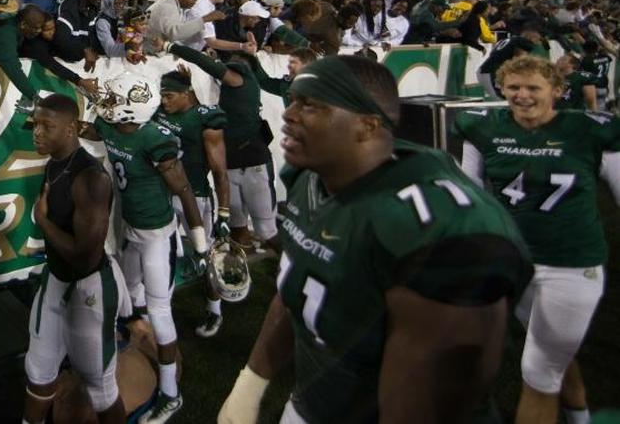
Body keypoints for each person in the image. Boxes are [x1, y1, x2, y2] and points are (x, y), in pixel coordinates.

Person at [218, 56, 532, 424]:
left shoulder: (435, 224)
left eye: (310, 104)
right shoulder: (312, 176)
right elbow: (299, 281)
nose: (288, 114)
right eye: (292, 99)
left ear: (367, 125)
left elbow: (429, 398)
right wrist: (251, 382)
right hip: (311, 402)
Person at [455, 55, 620, 424]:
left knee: (538, 370)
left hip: (571, 263)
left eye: (533, 88)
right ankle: (581, 417)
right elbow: (471, 195)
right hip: (514, 262)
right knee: (547, 353)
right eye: (513, 87)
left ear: (557, 91)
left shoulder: (590, 130)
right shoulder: (484, 128)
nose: (522, 95)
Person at [80, 72, 207, 424]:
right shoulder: (114, 128)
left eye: (115, 100)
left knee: (159, 310)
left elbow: (182, 189)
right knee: (130, 297)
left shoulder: (153, 139)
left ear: (133, 108)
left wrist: (198, 237)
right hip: (130, 230)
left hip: (156, 236)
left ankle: (170, 394)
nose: (108, 105)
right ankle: (137, 355)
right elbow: (92, 130)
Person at [23, 94, 126, 424]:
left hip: (88, 288)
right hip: (55, 279)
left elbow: (84, 257)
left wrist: (43, 222)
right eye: (35, 124)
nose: (37, 132)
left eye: (47, 126)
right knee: (38, 373)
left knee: (101, 389)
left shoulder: (91, 178)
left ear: (71, 130)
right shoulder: (55, 161)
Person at [161, 39, 276, 256]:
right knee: (237, 226)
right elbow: (198, 112)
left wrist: (171, 46)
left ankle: (289, 273)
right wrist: (187, 86)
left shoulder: (242, 78)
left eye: (234, 62)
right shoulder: (235, 91)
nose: (229, 65)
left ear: (245, 67)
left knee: (267, 230)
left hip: (253, 162)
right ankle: (242, 269)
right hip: (231, 161)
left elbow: (207, 64)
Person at [152, 68, 233, 338]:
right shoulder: (160, 112)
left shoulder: (205, 120)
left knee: (206, 255)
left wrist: (223, 211)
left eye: (170, 96)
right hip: (163, 194)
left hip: (195, 195)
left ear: (186, 94)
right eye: (162, 95)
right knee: (162, 257)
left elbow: (220, 171)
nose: (164, 101)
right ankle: (160, 311)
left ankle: (215, 310)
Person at [17, 5, 100, 96]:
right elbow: (52, 65)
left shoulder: (56, 34)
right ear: (39, 30)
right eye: (47, 30)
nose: (51, 32)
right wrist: (80, 81)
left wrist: (85, 50)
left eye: (53, 28)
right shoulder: (35, 45)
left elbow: (67, 44)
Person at [145, 0, 227, 52]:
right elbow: (175, 33)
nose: (195, 0)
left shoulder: (172, 0)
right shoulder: (168, 7)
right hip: (148, 50)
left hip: (155, 46)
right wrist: (205, 19)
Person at [476, 23, 545, 98]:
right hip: (489, 72)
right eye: (538, 38)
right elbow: (522, 61)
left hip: (488, 71)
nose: (538, 42)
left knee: (504, 97)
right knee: (498, 100)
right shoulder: (522, 42)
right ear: (533, 35)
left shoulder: (509, 40)